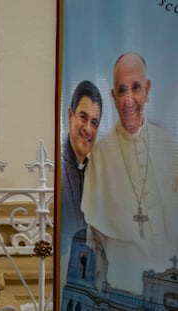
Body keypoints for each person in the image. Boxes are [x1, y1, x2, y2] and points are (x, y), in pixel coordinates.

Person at [81, 51, 178, 295]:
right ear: (113, 96)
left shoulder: (169, 145)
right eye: (122, 91)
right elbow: (95, 234)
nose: (129, 100)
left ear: (147, 89)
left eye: (135, 88)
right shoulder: (101, 154)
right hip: (121, 285)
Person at [60, 80, 102, 297]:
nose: (88, 129)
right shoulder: (57, 168)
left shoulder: (96, 169)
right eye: (83, 117)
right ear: (69, 116)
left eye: (94, 122)